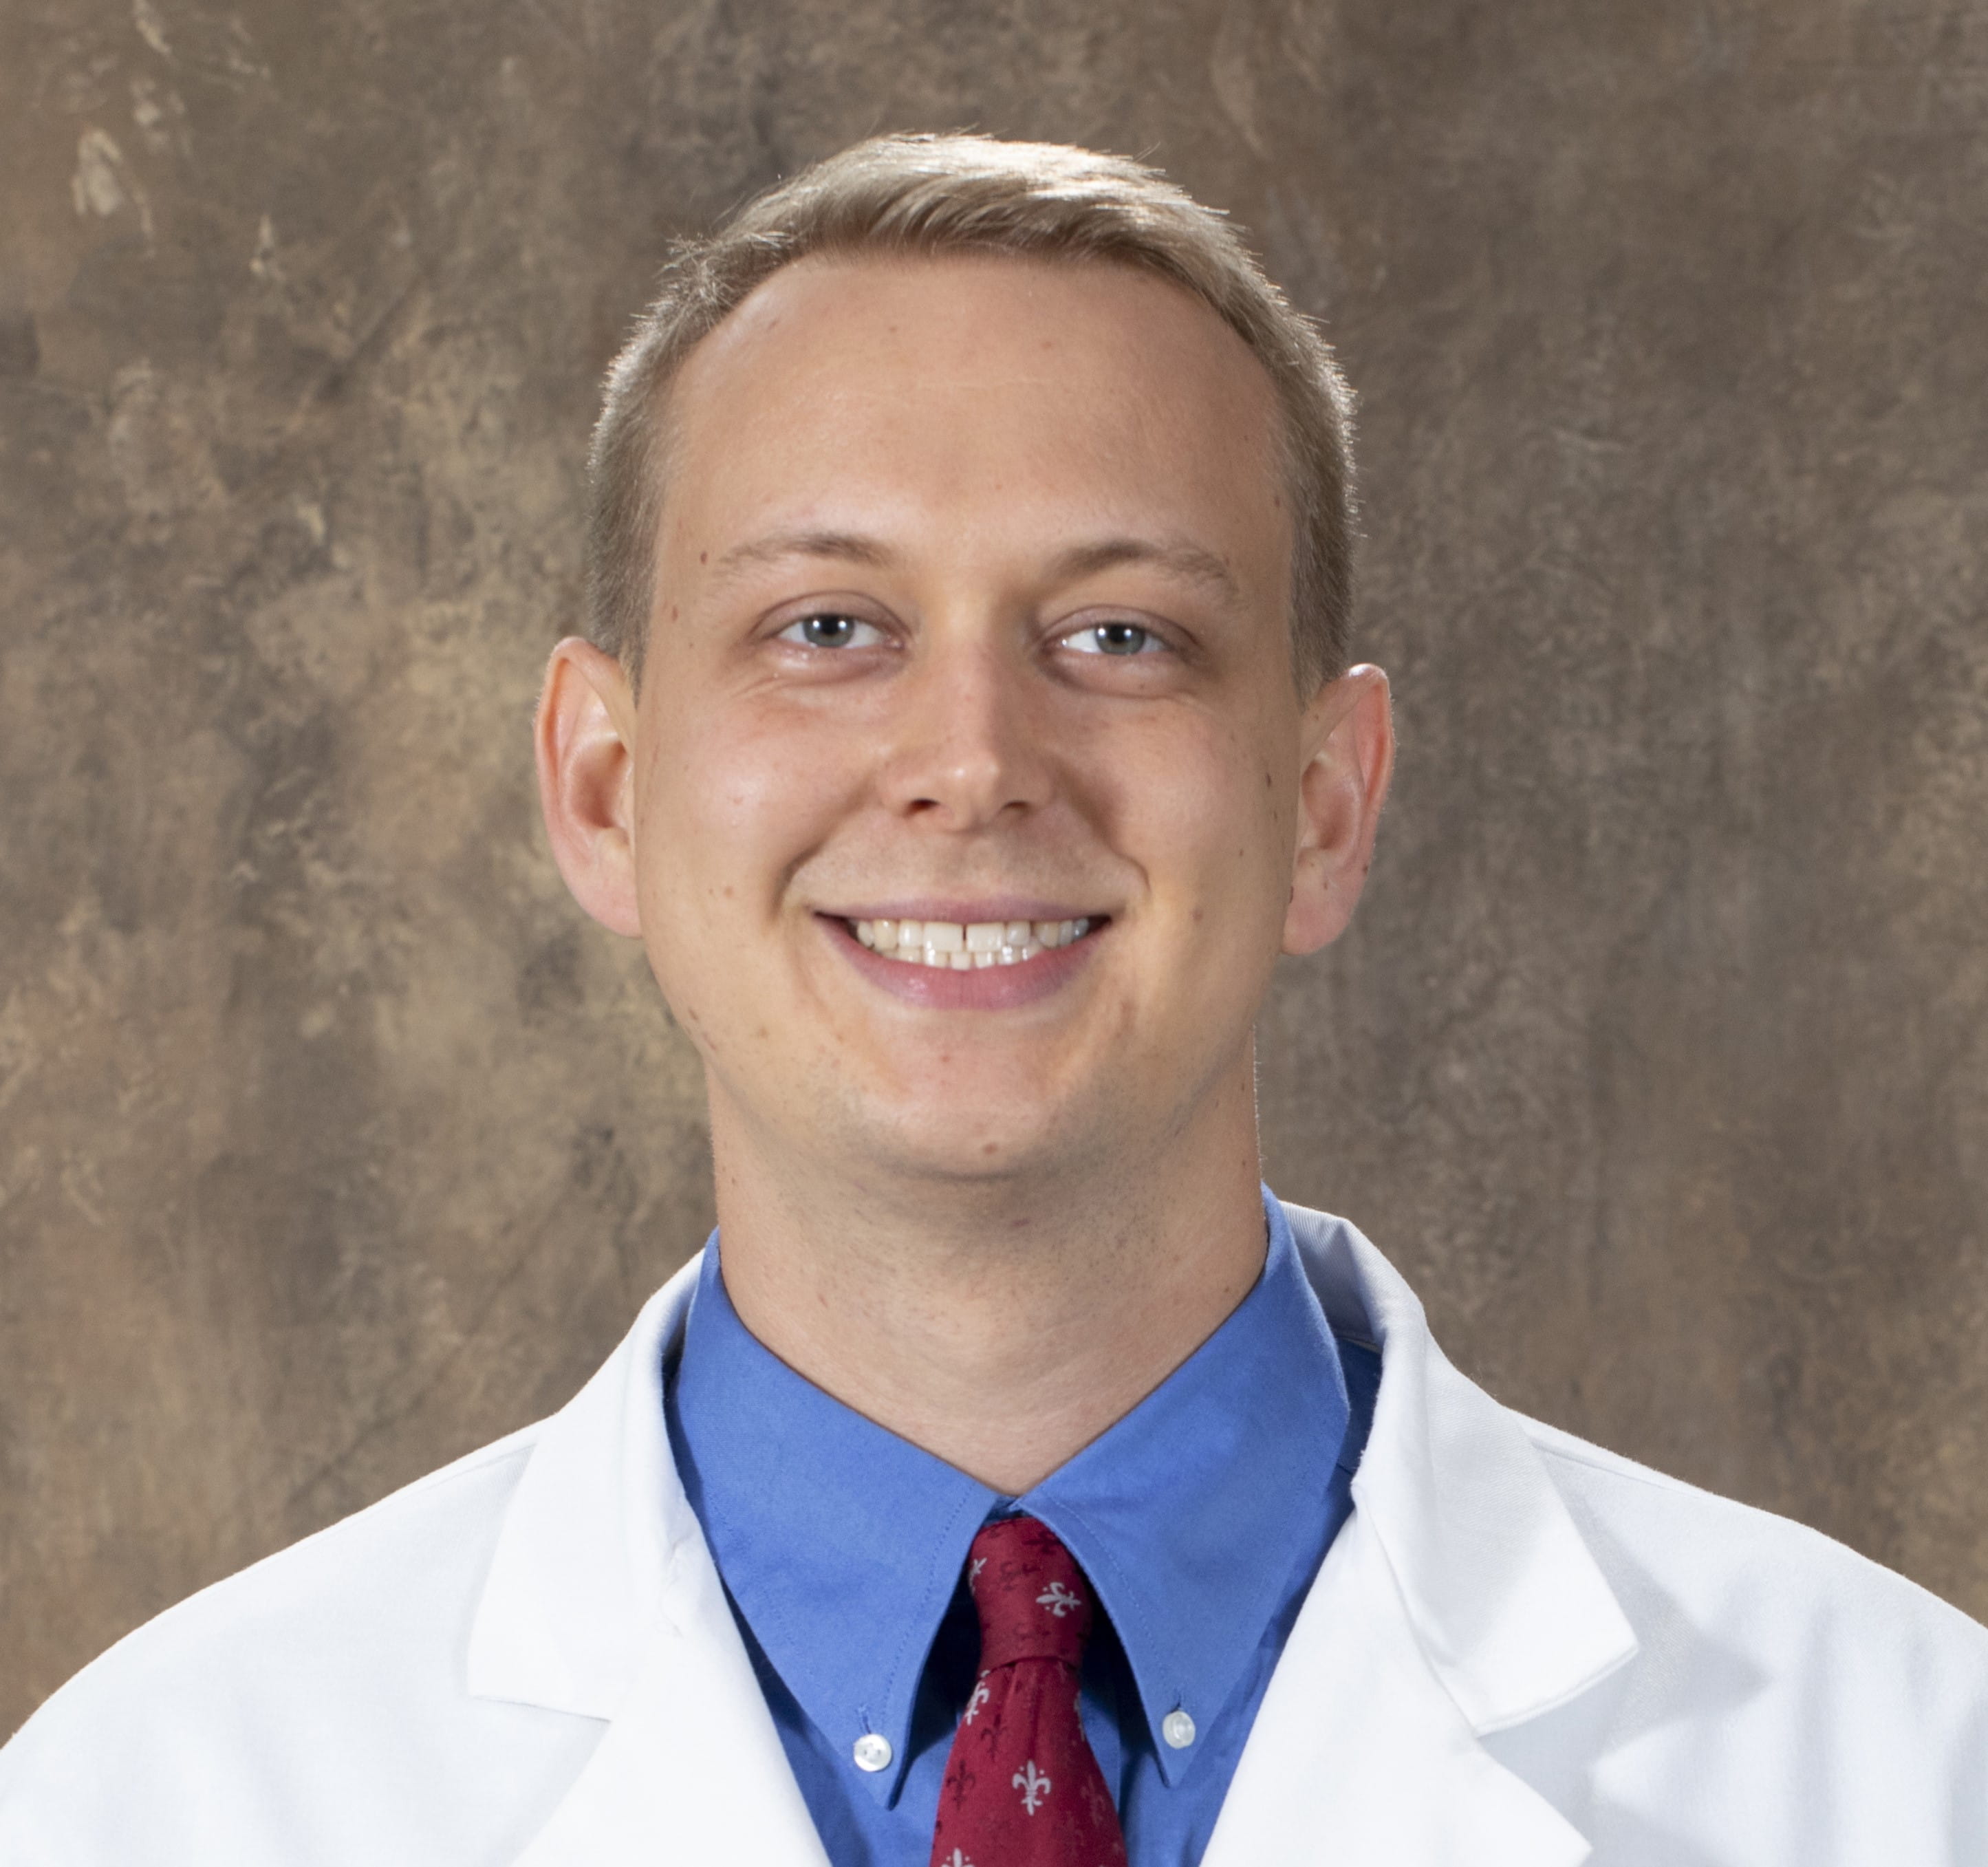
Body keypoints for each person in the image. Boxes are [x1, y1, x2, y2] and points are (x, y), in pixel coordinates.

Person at [1, 132, 1982, 1867]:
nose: (971, 756)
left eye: (1121, 632)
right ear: (605, 786)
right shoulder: (155, 1806)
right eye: (828, 626)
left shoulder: (1900, 1776)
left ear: (1321, 803)